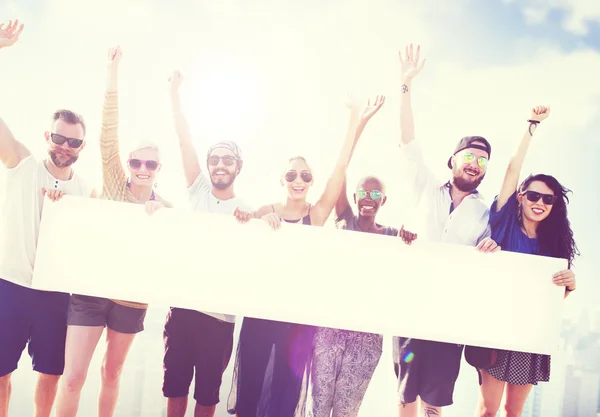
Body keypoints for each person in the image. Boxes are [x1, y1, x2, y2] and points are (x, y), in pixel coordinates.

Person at [226, 94, 385, 417]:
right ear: (281, 180)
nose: (299, 180)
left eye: (306, 176)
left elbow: (340, 169)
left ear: (311, 182)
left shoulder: (317, 214)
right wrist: (250, 220)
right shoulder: (264, 212)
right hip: (260, 315)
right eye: (291, 175)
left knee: (284, 400)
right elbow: (242, 240)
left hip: (296, 325)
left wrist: (356, 121)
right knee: (251, 395)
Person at [54, 46, 172, 417]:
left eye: (149, 163)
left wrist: (159, 218)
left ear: (157, 168)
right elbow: (108, 133)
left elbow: (173, 257)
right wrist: (112, 72)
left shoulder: (166, 210)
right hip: (91, 290)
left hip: (132, 299)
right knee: (73, 377)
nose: (141, 167)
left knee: (112, 372)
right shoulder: (114, 184)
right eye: (136, 160)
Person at [393, 43, 500, 417]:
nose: (474, 165)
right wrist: (405, 84)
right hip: (410, 304)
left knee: (435, 401)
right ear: (453, 159)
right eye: (469, 157)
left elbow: (491, 253)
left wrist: (492, 245)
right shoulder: (426, 185)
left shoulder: (487, 212)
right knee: (405, 395)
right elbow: (408, 142)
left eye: (482, 161)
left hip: (450, 315)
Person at [0, 20, 97, 417]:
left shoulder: (85, 190)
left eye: (73, 141)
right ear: (47, 137)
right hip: (10, 285)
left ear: (81, 146)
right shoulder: (21, 163)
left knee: (50, 376)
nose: (64, 146)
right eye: (58, 138)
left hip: (57, 295)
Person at [307, 96, 417, 417]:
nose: (368, 199)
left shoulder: (390, 235)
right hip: (328, 329)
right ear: (354, 197)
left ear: (383, 200)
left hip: (366, 338)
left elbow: (411, 261)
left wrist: (407, 237)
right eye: (363, 194)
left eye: (375, 194)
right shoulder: (344, 219)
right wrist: (360, 124)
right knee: (319, 409)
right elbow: (340, 169)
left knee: (345, 412)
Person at [473, 106, 578, 417]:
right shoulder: (504, 222)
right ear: (520, 197)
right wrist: (531, 125)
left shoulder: (554, 244)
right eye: (533, 196)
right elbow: (511, 170)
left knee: (513, 412)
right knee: (488, 410)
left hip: (530, 332)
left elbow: (554, 298)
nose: (540, 203)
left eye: (548, 199)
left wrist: (570, 286)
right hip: (495, 326)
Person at [161, 70, 251, 417]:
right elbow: (185, 140)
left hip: (219, 319)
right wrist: (174, 95)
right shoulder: (197, 190)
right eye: (214, 159)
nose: (219, 165)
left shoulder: (246, 211)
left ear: (238, 166)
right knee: (175, 389)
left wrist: (259, 220)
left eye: (227, 160)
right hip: (183, 310)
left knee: (207, 397)